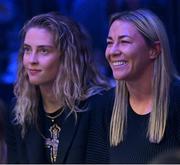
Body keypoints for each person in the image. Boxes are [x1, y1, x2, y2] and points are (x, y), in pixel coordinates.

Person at [5, 12, 110, 164]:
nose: (32, 60)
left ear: (67, 57)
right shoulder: (18, 112)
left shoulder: (98, 107)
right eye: (27, 49)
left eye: (43, 51)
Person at [86, 9, 180, 164]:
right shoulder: (104, 106)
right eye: (110, 43)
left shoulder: (177, 100)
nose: (113, 51)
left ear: (153, 50)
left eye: (124, 41)